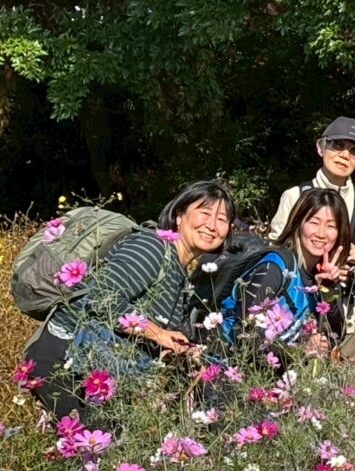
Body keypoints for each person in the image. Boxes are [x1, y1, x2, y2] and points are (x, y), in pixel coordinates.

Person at [24, 180, 235, 419]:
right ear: (179, 215)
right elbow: (101, 297)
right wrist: (158, 334)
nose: (212, 225)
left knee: (106, 449)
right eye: (204, 213)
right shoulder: (152, 247)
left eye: (222, 219)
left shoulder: (181, 274)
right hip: (63, 359)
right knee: (93, 448)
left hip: (94, 370)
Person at [267, 117, 355, 383]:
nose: (344, 155)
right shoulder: (295, 195)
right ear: (320, 147)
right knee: (303, 402)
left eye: (354, 150)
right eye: (337, 145)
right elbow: (277, 255)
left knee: (353, 409)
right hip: (304, 316)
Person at [236, 189, 355, 409]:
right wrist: (300, 348)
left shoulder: (316, 276)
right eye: (314, 222)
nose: (321, 233)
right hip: (240, 385)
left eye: (331, 226)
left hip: (278, 387)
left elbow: (335, 334)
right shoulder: (276, 266)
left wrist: (328, 290)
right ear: (298, 223)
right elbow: (244, 332)